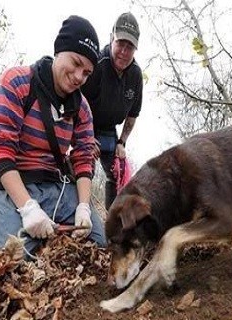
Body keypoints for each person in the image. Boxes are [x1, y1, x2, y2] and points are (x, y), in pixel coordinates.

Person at [0, 15, 106, 257]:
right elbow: (2, 150)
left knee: (98, 243)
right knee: (6, 257)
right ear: (60, 50)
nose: (79, 76)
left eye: (87, 73)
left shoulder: (82, 108)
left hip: (56, 186)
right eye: (76, 63)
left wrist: (83, 207)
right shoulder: (17, 82)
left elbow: (83, 158)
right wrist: (27, 208)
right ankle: (12, 221)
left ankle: (49, 225)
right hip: (13, 182)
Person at [81, 12, 143, 210]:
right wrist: (86, 137)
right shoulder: (96, 64)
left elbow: (133, 114)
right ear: (111, 39)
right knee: (85, 164)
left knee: (118, 172)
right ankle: (81, 213)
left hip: (109, 130)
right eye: (120, 44)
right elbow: (76, 102)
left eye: (130, 47)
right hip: (85, 125)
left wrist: (122, 142)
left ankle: (113, 219)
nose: (124, 52)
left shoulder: (135, 75)